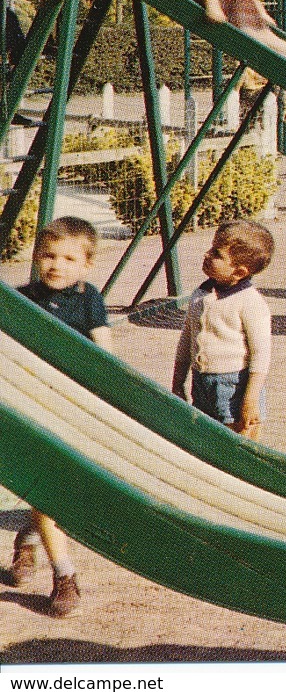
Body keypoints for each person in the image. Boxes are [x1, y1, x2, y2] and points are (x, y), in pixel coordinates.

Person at [9, 217, 111, 617]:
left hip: (70, 407)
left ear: (86, 265)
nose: (57, 265)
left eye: (69, 258)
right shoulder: (19, 298)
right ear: (36, 257)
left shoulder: (88, 299)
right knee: (45, 490)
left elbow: (105, 353)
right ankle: (65, 576)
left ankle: (29, 540)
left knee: (55, 492)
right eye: (49, 255)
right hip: (30, 408)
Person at [171, 220, 275, 439]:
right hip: (203, 382)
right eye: (210, 249)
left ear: (239, 272)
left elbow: (260, 356)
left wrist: (251, 400)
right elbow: (187, 338)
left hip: (235, 386)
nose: (207, 255)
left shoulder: (250, 303)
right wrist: (178, 382)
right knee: (207, 438)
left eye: (216, 254)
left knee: (239, 441)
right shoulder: (201, 293)